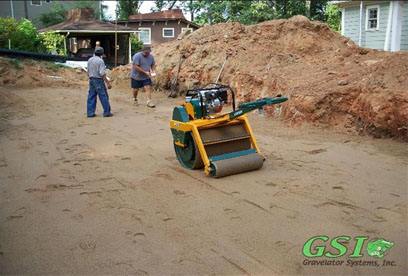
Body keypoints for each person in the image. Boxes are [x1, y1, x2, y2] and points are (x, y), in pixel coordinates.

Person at [87, 47, 113, 117]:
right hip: (98, 80)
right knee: (103, 96)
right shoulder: (100, 61)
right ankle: (107, 112)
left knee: (91, 96)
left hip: (91, 79)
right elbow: (102, 73)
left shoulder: (90, 60)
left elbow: (88, 71)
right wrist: (108, 83)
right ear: (102, 53)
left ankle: (90, 113)